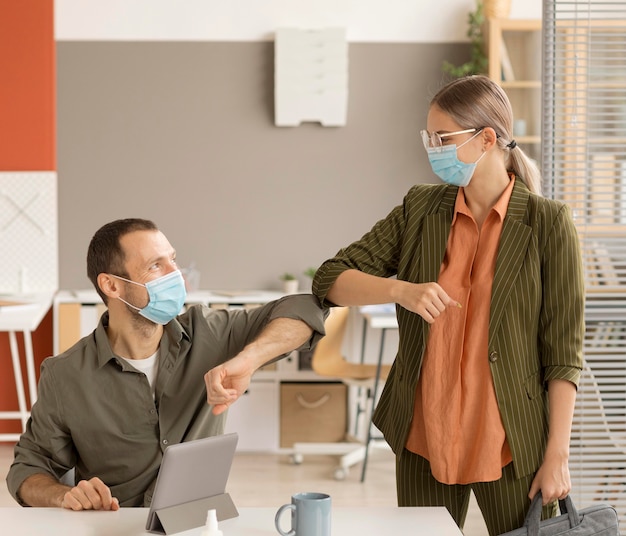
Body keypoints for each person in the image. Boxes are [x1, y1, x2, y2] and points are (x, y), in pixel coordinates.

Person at [311, 75, 584, 536]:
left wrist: (557, 453)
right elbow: (330, 278)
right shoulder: (421, 208)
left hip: (512, 441)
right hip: (424, 434)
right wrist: (401, 290)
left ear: (487, 139)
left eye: (443, 138)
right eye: (429, 137)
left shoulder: (547, 223)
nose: (432, 147)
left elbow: (563, 356)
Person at [7, 218, 326, 511]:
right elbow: (28, 470)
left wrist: (249, 359)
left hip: (198, 522)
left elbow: (305, 308)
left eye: (173, 260)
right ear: (112, 285)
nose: (176, 275)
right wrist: (64, 495)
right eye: (156, 266)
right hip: (114, 525)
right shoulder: (66, 374)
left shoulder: (210, 332)